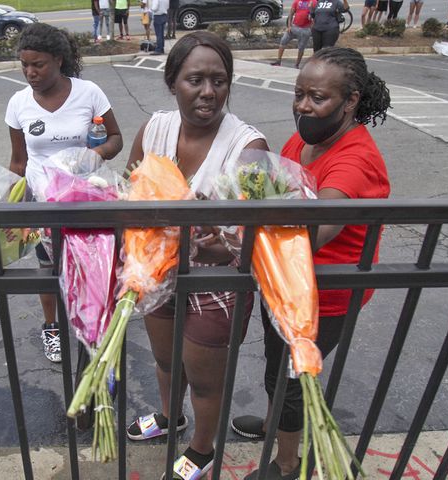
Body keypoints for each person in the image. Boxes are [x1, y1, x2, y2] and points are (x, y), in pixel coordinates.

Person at [232, 47, 391, 480]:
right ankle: (273, 428)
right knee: (275, 365)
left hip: (323, 297)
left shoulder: (354, 160)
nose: (303, 105)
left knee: (287, 380)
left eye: (317, 97)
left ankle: (286, 465)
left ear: (351, 100)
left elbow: (312, 233)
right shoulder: (307, 139)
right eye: (299, 93)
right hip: (283, 280)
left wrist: (243, 232)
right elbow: (279, 189)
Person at [124, 32, 268, 479]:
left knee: (205, 379)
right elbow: (130, 183)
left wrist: (221, 245)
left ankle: (202, 449)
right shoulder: (155, 129)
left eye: (219, 81)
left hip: (217, 282)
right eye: (195, 80)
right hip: (158, 267)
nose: (209, 92)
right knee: (166, 361)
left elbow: (257, 235)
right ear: (172, 83)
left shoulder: (248, 147)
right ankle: (170, 417)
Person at [5, 23, 123, 363]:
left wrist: (94, 155)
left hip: (86, 196)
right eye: (24, 64)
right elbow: (18, 161)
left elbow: (115, 138)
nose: (30, 72)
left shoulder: (89, 93)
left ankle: (94, 324)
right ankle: (52, 327)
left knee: (90, 264)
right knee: (47, 267)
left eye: (37, 64)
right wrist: (10, 204)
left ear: (58, 60)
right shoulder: (18, 103)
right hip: (43, 202)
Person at [271, 0, 316, 68]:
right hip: (294, 27)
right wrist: (289, 26)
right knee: (283, 41)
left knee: (301, 47)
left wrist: (311, 28)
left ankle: (297, 64)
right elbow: (291, 14)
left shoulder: (313, 2)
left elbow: (316, 15)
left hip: (305, 29)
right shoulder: (297, 2)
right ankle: (278, 60)